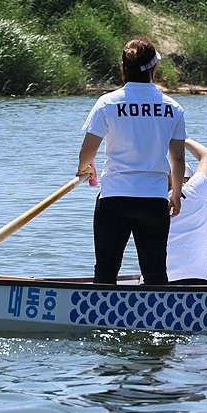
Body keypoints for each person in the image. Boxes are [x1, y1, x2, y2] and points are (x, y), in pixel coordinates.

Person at [76, 37, 186, 285]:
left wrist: (85, 170)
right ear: (154, 68)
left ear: (123, 67)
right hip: (154, 200)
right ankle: (160, 320)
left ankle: (98, 319)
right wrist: (176, 194)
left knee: (106, 270)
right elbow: (177, 158)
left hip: (115, 197)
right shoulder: (173, 108)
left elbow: (88, 152)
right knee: (156, 273)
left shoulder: (107, 103)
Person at [162, 138, 207, 284]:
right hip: (198, 280)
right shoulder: (195, 191)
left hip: (159, 280)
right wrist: (181, 138)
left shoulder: (152, 198)